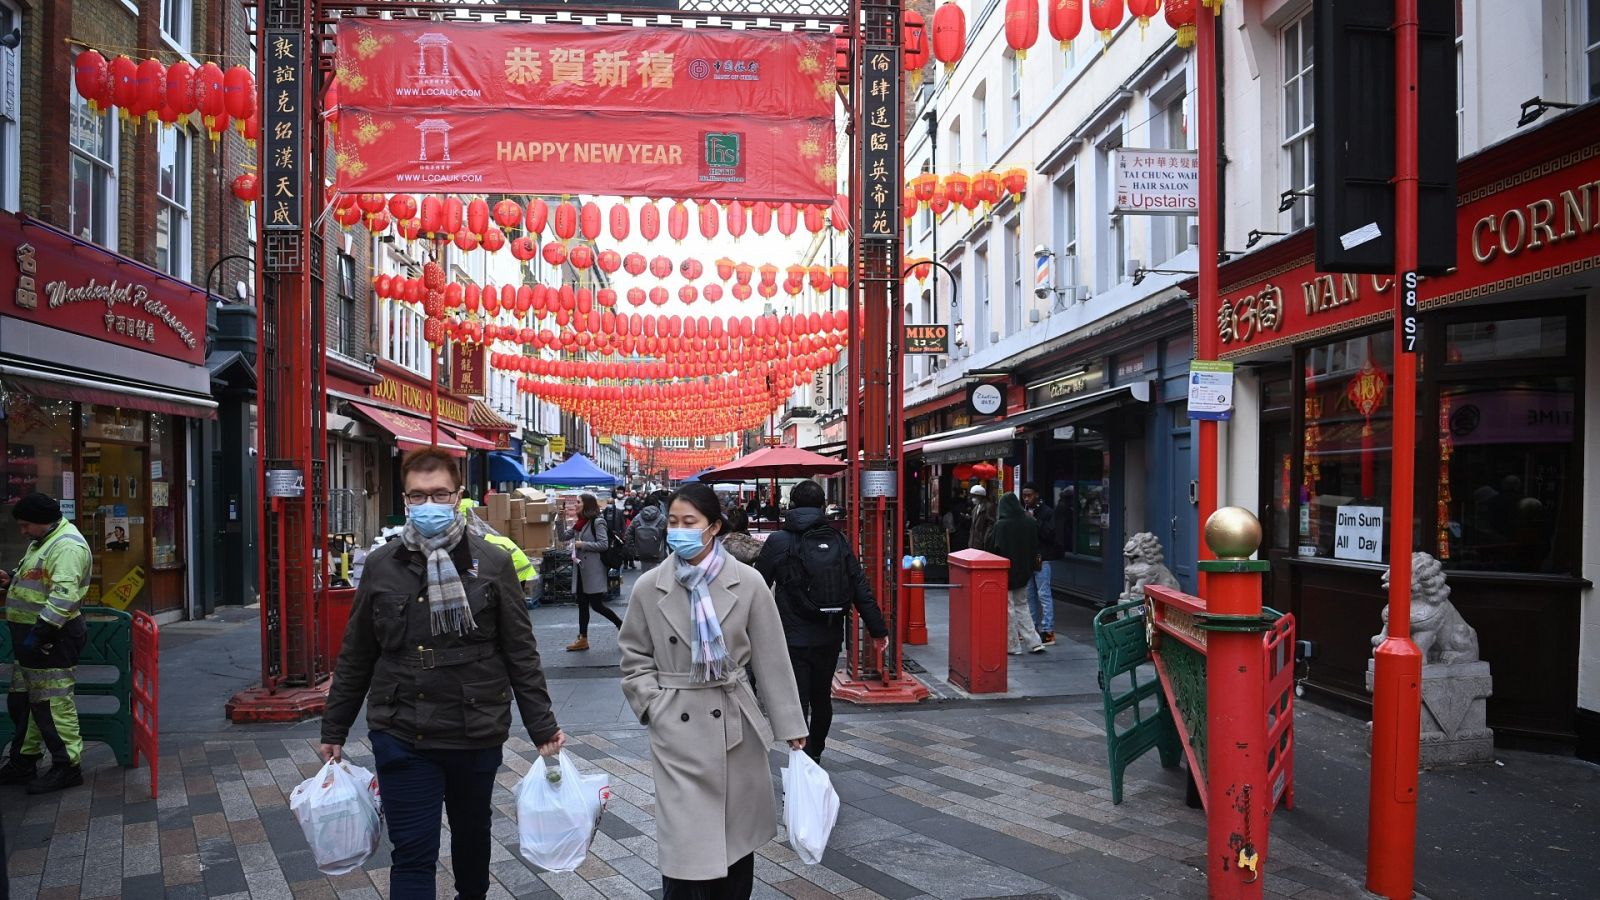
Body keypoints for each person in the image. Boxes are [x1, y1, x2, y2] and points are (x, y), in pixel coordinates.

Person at [319, 448, 565, 900]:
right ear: (405, 498)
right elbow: (357, 653)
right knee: (412, 853)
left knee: (472, 840)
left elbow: (520, 652)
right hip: (401, 728)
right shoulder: (382, 565)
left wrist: (542, 725)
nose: (428, 504)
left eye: (439, 494)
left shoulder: (491, 562)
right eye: (418, 495)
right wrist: (334, 726)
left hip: (475, 727)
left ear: (458, 496)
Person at [617, 483, 807, 899]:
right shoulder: (650, 586)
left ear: (714, 527)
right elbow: (633, 653)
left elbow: (771, 658)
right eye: (672, 522)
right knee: (684, 858)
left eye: (689, 522)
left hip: (734, 728)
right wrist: (654, 705)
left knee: (735, 848)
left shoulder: (749, 582)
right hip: (677, 733)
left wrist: (790, 724)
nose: (678, 531)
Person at [754, 480, 889, 761]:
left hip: (791, 635)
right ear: (821, 505)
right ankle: (815, 755)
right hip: (829, 633)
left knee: (798, 698)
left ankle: (800, 760)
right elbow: (859, 586)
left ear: (791, 504)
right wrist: (878, 629)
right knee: (821, 698)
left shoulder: (779, 541)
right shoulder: (838, 540)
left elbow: (756, 587)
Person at [0, 494, 92, 793]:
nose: (23, 531)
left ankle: (68, 767)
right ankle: (23, 761)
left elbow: (63, 597)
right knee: (25, 701)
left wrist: (40, 636)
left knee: (53, 703)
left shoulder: (66, 546)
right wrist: (11, 579)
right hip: (33, 636)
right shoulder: (44, 540)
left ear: (43, 521)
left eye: (26, 525)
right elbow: (41, 579)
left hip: (50, 637)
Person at [558, 494, 621, 651]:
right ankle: (583, 638)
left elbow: (603, 544)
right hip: (581, 570)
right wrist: (560, 519)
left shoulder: (597, 522)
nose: (576, 504)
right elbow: (563, 537)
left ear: (587, 505)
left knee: (597, 605)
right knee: (582, 605)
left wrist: (582, 545)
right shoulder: (580, 524)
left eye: (579, 502)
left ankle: (622, 625)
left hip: (593, 570)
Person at [990, 493, 1046, 655]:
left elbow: (994, 548)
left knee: (1008, 608)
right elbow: (1035, 546)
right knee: (1022, 605)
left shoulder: (1001, 525)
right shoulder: (1029, 522)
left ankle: (1013, 645)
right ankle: (1034, 642)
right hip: (1024, 571)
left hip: (1005, 571)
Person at [457, 497, 535, 594]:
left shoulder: (489, 546)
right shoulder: (494, 539)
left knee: (510, 595)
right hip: (523, 568)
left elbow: (488, 568)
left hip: (519, 570)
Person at [1021, 483, 1059, 646]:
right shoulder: (1023, 512)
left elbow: (1050, 535)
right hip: (1028, 558)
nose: (1026, 498)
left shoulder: (1048, 512)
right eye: (1024, 495)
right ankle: (1032, 628)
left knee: (1044, 594)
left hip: (1042, 558)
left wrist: (1034, 520)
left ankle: (1048, 630)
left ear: (1037, 494)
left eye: (1029, 495)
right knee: (1029, 595)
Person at [626, 491, 670, 571]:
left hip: (643, 554)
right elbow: (669, 536)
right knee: (658, 578)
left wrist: (633, 549)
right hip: (659, 554)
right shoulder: (662, 518)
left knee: (645, 577)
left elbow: (628, 534)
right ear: (657, 504)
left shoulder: (638, 518)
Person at [968, 484, 997, 553]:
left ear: (980, 496)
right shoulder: (976, 507)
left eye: (974, 496)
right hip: (973, 542)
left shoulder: (989, 507)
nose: (972, 498)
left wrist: (985, 540)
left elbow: (991, 524)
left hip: (982, 544)